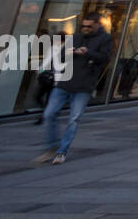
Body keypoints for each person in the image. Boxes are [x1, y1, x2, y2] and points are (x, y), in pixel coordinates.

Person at [38, 12, 112, 164]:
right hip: (65, 82)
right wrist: (67, 52)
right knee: (49, 113)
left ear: (97, 25)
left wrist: (87, 53)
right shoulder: (76, 37)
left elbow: (105, 58)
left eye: (89, 26)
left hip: (84, 85)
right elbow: (61, 57)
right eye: (83, 25)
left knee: (74, 118)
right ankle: (52, 146)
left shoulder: (105, 38)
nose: (85, 28)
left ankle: (62, 151)